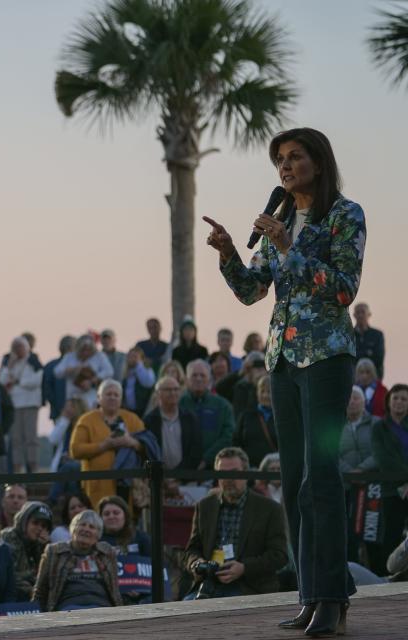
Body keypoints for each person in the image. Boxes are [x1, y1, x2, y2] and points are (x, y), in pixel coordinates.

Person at [205, 127, 366, 634]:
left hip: (326, 359)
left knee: (321, 477)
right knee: (294, 481)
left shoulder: (345, 215)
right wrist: (229, 253)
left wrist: (289, 245)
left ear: (318, 163)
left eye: (295, 156)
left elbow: (343, 290)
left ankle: (333, 599)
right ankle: (309, 595)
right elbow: (253, 292)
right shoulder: (278, 218)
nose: (285, 165)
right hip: (282, 362)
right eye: (279, 159)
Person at [182, 447, 288, 600]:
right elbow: (191, 551)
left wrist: (244, 568)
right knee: (186, 614)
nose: (228, 479)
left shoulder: (269, 509)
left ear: (246, 474)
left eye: (234, 472)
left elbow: (279, 556)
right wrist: (197, 564)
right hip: (208, 583)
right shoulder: (205, 506)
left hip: (248, 587)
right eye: (223, 474)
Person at [70, 380, 146, 508]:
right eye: (108, 394)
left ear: (121, 399)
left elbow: (148, 446)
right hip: (98, 486)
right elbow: (75, 450)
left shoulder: (133, 419)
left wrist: (131, 442)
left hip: (129, 486)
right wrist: (104, 446)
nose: (112, 397)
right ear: (99, 398)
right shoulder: (87, 420)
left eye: (116, 395)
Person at [32, 510, 122, 612]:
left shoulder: (106, 552)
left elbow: (115, 588)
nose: (86, 529)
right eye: (82, 525)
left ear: (98, 536)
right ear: (73, 529)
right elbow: (40, 590)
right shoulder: (54, 552)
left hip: (102, 607)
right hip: (68, 609)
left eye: (92, 527)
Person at [369, 384, 408, 576]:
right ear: (389, 401)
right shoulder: (379, 428)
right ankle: (388, 576)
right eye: (396, 398)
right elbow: (383, 459)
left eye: (404, 399)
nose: (399, 402)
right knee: (391, 534)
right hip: (391, 490)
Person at [0, 336, 43, 474]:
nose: (18, 350)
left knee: (30, 438)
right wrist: (10, 366)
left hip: (30, 403)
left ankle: (33, 467)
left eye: (20, 347)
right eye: (15, 347)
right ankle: (17, 468)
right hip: (14, 405)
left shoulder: (33, 360)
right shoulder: (8, 361)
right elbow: (2, 381)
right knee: (16, 439)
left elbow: (37, 380)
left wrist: (18, 381)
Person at [180, 360, 235, 469]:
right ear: (186, 379)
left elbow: (228, 436)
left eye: (202, 375)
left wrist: (207, 459)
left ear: (209, 379)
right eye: (194, 375)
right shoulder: (177, 403)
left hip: (214, 468)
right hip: (181, 468)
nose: (198, 379)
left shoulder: (223, 405)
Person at [143, 376, 202, 472]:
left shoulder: (190, 418)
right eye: (168, 390)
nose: (173, 393)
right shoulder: (149, 420)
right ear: (158, 393)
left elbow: (196, 451)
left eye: (176, 389)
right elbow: (147, 453)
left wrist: (178, 476)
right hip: (158, 480)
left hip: (186, 481)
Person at [1, 501, 53, 600]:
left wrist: (44, 549)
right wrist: (32, 590)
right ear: (24, 521)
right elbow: (11, 576)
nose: (39, 528)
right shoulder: (8, 537)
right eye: (35, 523)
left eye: (43, 526)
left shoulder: (42, 545)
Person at [233, 376, 278, 468]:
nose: (265, 395)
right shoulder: (246, 416)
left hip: (275, 470)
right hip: (250, 469)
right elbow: (236, 441)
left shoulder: (283, 417)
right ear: (257, 393)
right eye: (262, 391)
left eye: (269, 391)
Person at [56, 334, 114, 404]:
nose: (85, 352)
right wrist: (72, 370)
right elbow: (57, 372)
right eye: (83, 350)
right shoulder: (70, 357)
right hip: (73, 396)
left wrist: (92, 380)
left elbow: (109, 371)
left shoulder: (99, 356)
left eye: (88, 350)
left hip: (92, 398)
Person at [43, 335, 75, 420]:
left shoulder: (49, 366)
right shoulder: (77, 366)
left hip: (58, 411)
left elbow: (47, 391)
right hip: (72, 411)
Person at [353, 303, 385, 380]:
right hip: (354, 380)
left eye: (363, 312)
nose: (360, 315)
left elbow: (379, 358)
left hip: (375, 379)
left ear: (369, 314)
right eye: (358, 312)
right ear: (354, 315)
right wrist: (367, 353)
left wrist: (358, 354)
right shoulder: (349, 335)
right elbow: (349, 359)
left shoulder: (377, 335)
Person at [121, 347, 155, 415]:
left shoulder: (147, 371)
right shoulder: (125, 372)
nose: (131, 359)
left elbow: (148, 383)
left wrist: (138, 365)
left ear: (142, 359)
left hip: (142, 411)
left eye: (135, 356)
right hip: (127, 411)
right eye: (130, 356)